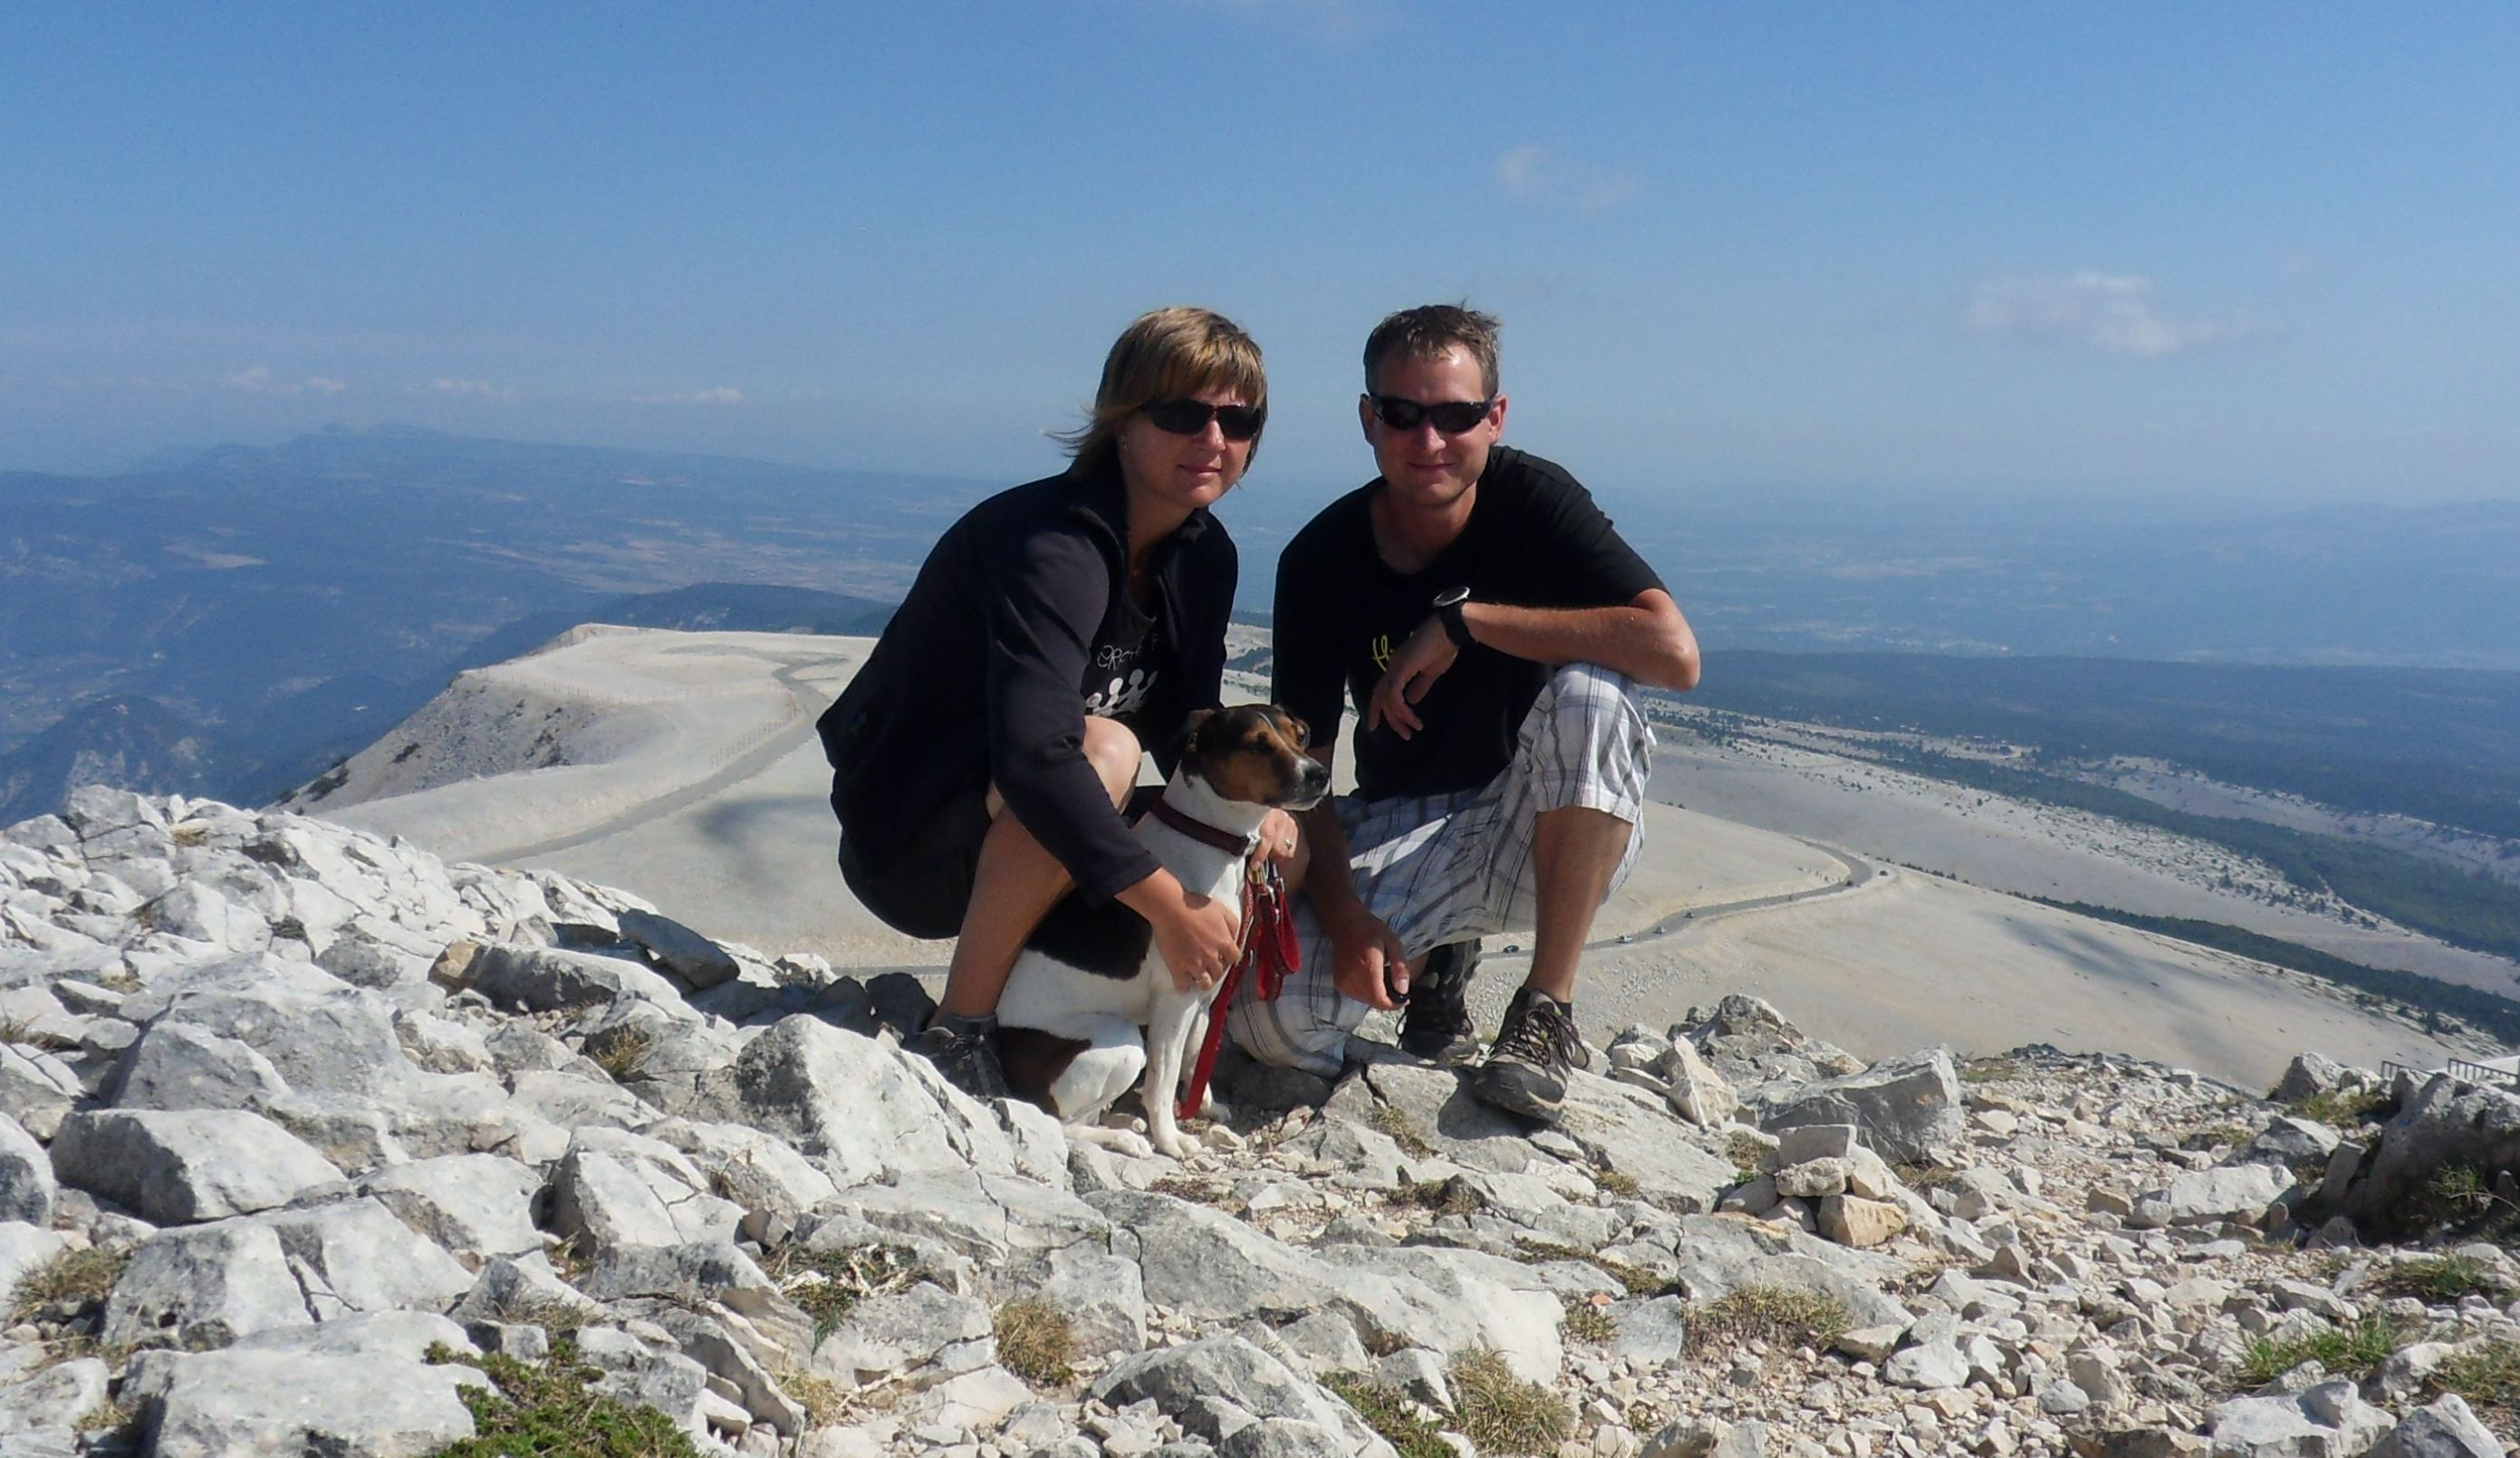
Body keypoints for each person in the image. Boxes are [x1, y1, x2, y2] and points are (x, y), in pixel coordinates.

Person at [1226, 303, 1699, 1123]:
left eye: (1456, 415)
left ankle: (1544, 1011)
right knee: (1278, 1022)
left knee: (1594, 692)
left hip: (1546, 819)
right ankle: (1439, 961)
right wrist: (1344, 919)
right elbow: (1294, 781)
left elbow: (1673, 651)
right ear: (1369, 419)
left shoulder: (1535, 502)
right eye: (1404, 415)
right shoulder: (1320, 558)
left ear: (1496, 416)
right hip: (1404, 822)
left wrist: (1464, 621)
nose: (1430, 440)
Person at [819, 307, 1300, 1100]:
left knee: (1258, 826)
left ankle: (1132, 1030)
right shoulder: (1056, 545)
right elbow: (1038, 756)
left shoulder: (1201, 554)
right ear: (1121, 422)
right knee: (1101, 751)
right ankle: (960, 1032)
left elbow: (1195, 731)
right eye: (1181, 413)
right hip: (911, 840)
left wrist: (1267, 812)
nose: (1213, 439)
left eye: (1238, 419)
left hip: (1012, 826)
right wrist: (1169, 905)